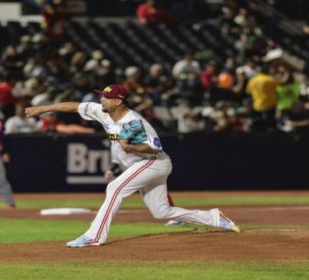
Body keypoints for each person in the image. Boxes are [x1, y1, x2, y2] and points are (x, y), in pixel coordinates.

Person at [25, 84, 240, 247]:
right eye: (102, 95)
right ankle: (214, 218)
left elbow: (155, 148)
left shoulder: (134, 122)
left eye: (107, 97)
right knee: (161, 212)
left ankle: (94, 236)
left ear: (118, 102)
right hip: (144, 165)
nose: (102, 99)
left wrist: (131, 147)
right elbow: (74, 106)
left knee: (114, 188)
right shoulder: (103, 111)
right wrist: (43, 108)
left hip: (154, 162)